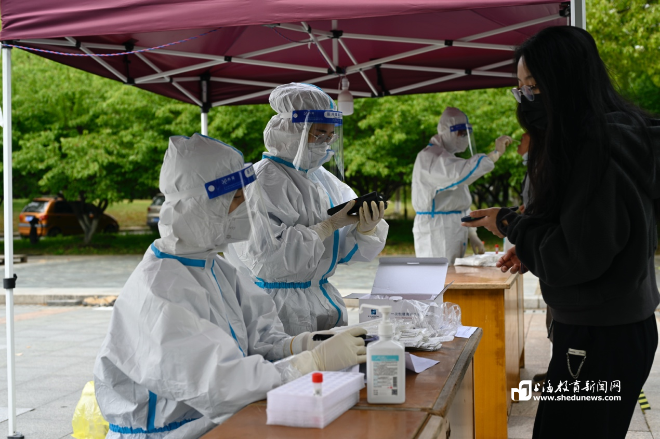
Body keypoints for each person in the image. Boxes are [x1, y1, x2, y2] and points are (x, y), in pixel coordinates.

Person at [94, 134, 367, 438]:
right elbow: (223, 386)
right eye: (236, 198)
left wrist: (306, 343)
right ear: (200, 204)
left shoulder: (215, 268)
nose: (246, 207)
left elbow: (260, 339)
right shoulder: (159, 291)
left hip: (217, 423)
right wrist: (311, 362)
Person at [463, 26, 659, 439]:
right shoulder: (610, 137)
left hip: (598, 337)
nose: (526, 98)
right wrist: (531, 243)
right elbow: (588, 231)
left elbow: (574, 256)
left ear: (565, 81)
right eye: (520, 88)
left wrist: (510, 224)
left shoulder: (596, 148)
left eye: (534, 86)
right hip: (610, 328)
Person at [226, 83, 388, 336]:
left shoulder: (321, 179)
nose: (326, 142)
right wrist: (327, 226)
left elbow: (342, 251)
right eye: (319, 133)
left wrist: (364, 230)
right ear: (292, 130)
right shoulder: (262, 180)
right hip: (277, 308)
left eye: (331, 135)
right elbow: (268, 260)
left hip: (322, 299)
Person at [411, 106, 512, 263]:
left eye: (466, 133)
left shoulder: (448, 159)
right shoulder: (430, 158)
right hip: (436, 231)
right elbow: (463, 173)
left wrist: (472, 233)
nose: (464, 137)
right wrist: (495, 154)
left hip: (452, 228)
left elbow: (459, 200)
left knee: (453, 275)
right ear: (446, 131)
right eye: (461, 133)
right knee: (439, 275)